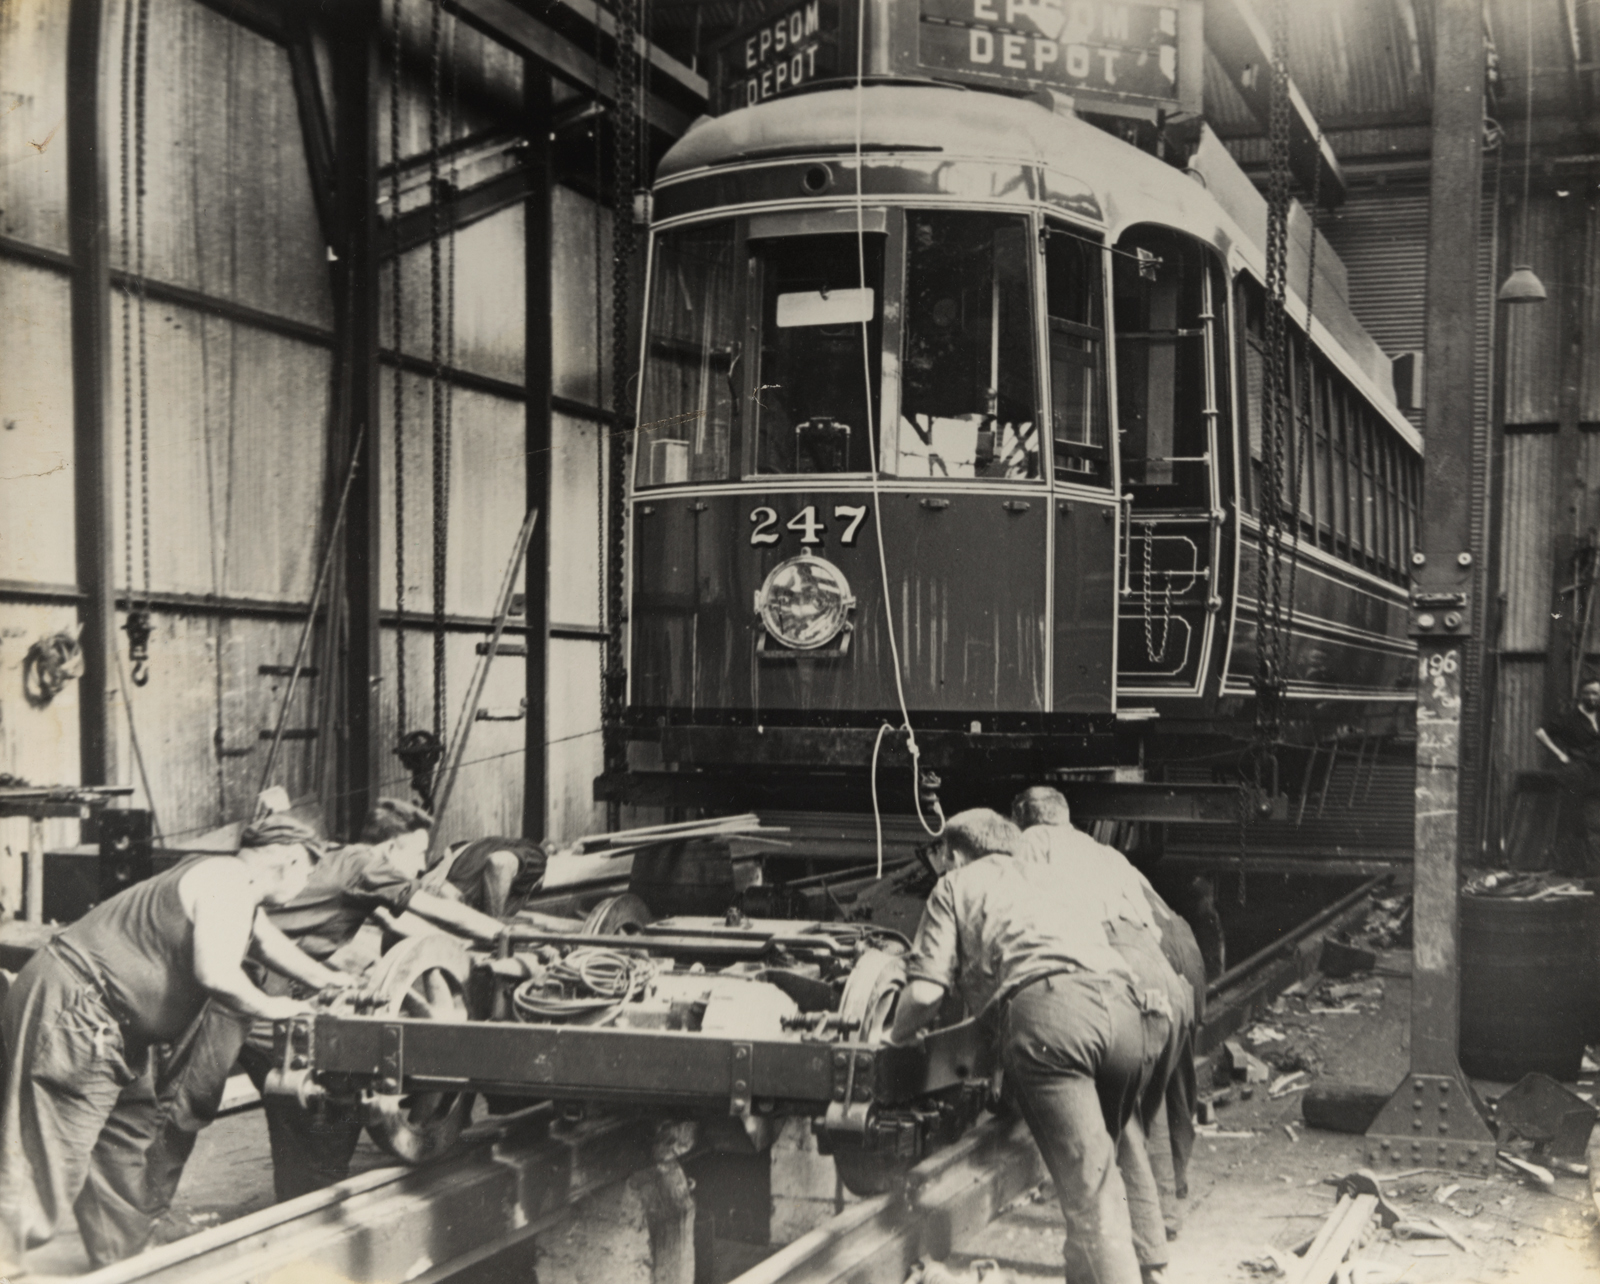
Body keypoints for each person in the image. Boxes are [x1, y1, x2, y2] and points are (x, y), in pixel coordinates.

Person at [137, 802, 517, 1222]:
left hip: (264, 986)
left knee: (305, 1096)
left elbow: (405, 930)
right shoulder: (362, 864)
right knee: (187, 1102)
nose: (421, 866)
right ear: (390, 848)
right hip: (223, 987)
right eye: (417, 853)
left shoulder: (337, 869)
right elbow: (431, 908)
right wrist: (506, 935)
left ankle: (303, 1206)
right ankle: (145, 1219)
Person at [0, 816, 323, 1272]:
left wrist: (334, 981)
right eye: (307, 872)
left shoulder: (227, 879)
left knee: (124, 1137)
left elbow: (269, 945)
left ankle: (124, 1262)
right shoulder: (229, 884)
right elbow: (216, 973)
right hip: (81, 1011)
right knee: (50, 1151)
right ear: (288, 860)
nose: (305, 884)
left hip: (111, 1022)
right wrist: (275, 1008)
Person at [889, 809, 1175, 1284]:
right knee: (1105, 1164)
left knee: (1091, 1195)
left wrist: (895, 1038)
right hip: (1130, 1018)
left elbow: (924, 993)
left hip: (1054, 1020)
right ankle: (1148, 1268)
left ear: (955, 854)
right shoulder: (1048, 877)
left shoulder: (955, 884)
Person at [1012, 787, 1202, 1274]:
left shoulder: (1030, 845)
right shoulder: (1105, 853)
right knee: (1157, 1102)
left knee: (1120, 1122)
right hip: (1172, 975)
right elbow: (1163, 919)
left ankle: (1134, 1251)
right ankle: (1164, 1218)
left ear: (1022, 820)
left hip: (1126, 975)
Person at [364, 798, 548, 919]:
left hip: (427, 899)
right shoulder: (537, 856)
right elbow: (499, 863)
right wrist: (496, 929)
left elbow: (428, 878)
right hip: (446, 903)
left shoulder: (466, 847)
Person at [1536, 678, 1600, 874]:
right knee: (1576, 820)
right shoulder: (1570, 717)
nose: (1591, 697)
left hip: (1597, 773)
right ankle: (1572, 867)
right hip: (1577, 773)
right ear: (1580, 695)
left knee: (1594, 820)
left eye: (1596, 693)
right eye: (1587, 693)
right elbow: (1540, 732)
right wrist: (1559, 754)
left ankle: (1593, 867)